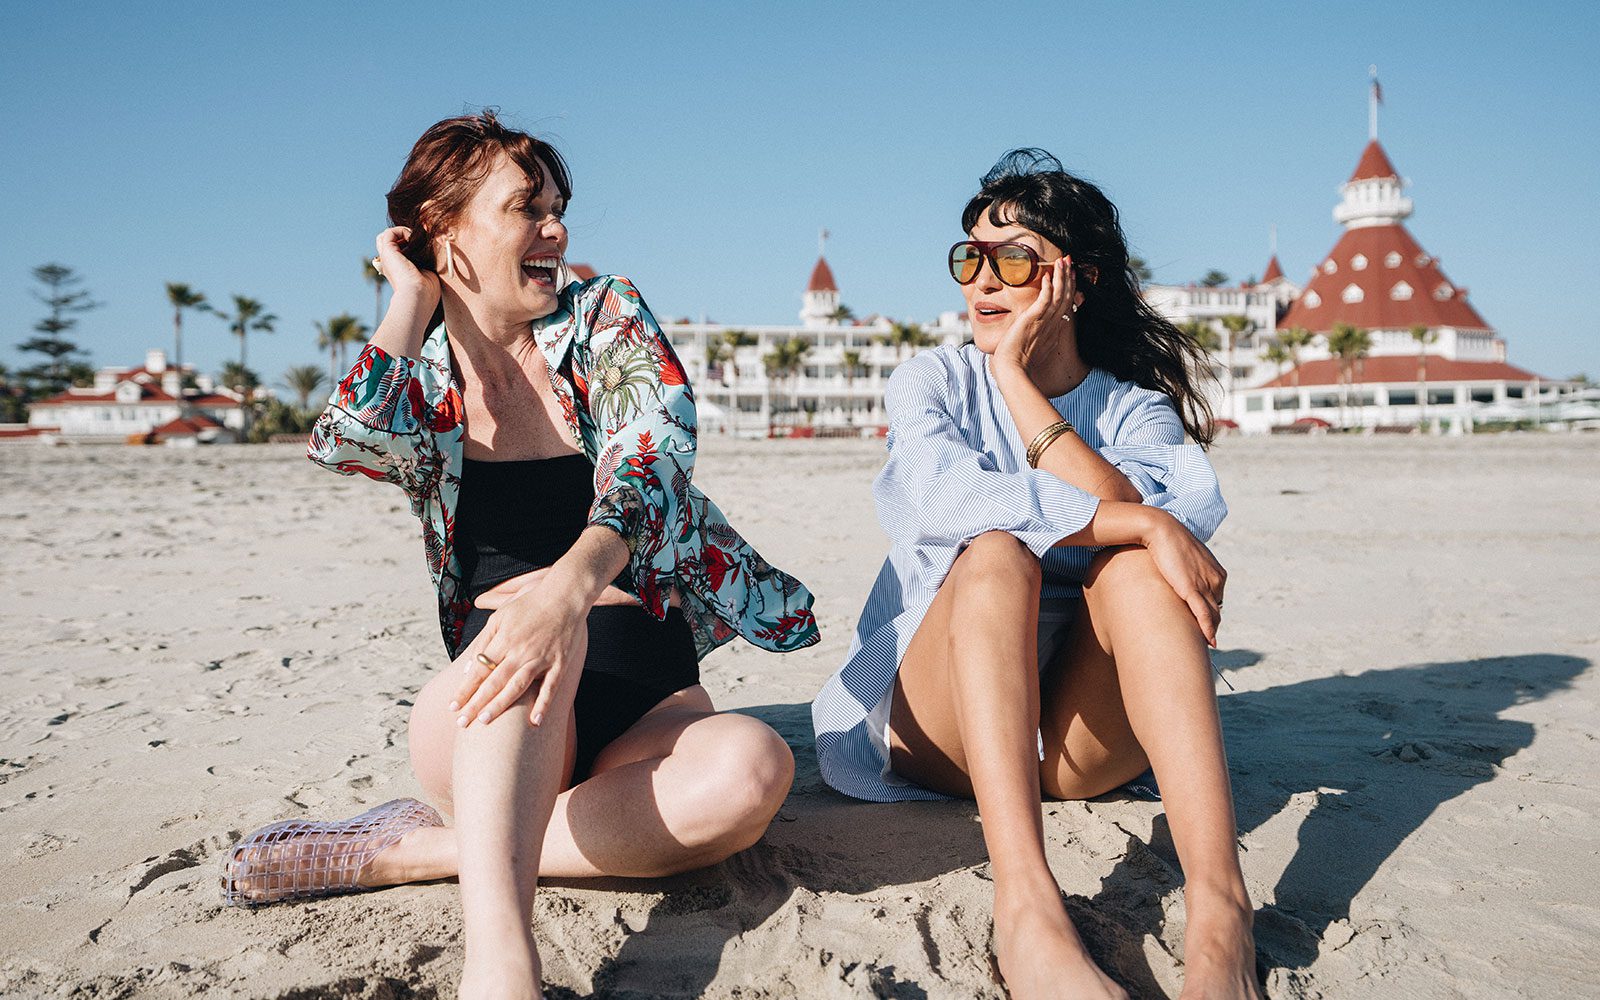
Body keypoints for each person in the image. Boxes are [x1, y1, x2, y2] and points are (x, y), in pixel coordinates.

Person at [221, 111, 819, 1000]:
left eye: (558, 207)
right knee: (535, 632)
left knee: (752, 771)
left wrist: (567, 593)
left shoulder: (605, 315)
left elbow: (653, 460)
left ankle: (418, 851)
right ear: (443, 230)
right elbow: (347, 441)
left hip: (648, 700)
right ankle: (502, 964)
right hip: (490, 710)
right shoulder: (422, 375)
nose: (556, 229)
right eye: (525, 208)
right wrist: (408, 298)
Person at [811, 149, 1262, 1000]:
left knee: (1136, 575)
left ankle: (1219, 906)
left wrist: (1019, 384)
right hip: (947, 735)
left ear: (1074, 282)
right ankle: (1025, 904)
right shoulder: (931, 380)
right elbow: (945, 496)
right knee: (993, 550)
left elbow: (1176, 534)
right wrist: (1138, 518)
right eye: (969, 256)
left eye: (1012, 259)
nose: (982, 280)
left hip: (1079, 747)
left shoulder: (1132, 406)